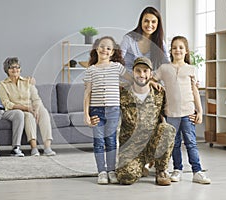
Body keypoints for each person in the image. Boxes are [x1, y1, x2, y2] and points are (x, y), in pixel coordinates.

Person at [153, 36, 211, 184]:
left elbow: (195, 91)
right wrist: (156, 84)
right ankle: (177, 169)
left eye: (180, 47)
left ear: (186, 51)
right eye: (174, 47)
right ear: (170, 51)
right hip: (171, 113)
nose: (177, 50)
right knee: (175, 144)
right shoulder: (164, 68)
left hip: (188, 113)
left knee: (191, 143)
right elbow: (151, 79)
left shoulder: (191, 69)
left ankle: (197, 171)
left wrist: (200, 111)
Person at [113, 57, 175, 186]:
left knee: (167, 129)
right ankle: (140, 166)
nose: (142, 75)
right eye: (138, 71)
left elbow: (172, 109)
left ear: (151, 74)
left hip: (152, 144)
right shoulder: (122, 93)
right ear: (133, 73)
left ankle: (161, 170)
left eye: (145, 71)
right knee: (125, 177)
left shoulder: (159, 93)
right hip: (131, 147)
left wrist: (196, 111)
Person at [83, 36, 133, 185]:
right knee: (98, 141)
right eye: (102, 46)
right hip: (96, 110)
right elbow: (87, 94)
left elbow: (131, 80)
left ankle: (111, 171)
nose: (105, 49)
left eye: (108, 48)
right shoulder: (90, 70)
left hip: (113, 110)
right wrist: (86, 115)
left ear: (112, 53)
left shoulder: (117, 67)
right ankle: (102, 172)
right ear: (96, 49)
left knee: (111, 141)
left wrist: (120, 86)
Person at [0, 57, 56, 156]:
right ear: (7, 70)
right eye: (12, 67)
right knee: (29, 117)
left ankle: (47, 147)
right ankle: (34, 148)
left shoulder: (27, 81)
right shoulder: (3, 85)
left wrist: (36, 109)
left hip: (34, 105)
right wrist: (26, 109)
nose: (15, 69)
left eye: (17, 67)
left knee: (44, 114)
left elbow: (36, 98)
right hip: (20, 108)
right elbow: (7, 103)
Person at [120, 6, 170, 72]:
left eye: (153, 22)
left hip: (151, 80)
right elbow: (118, 61)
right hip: (129, 79)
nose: (149, 25)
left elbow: (168, 65)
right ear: (141, 22)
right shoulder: (128, 39)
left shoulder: (160, 42)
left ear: (158, 24)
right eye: (146, 21)